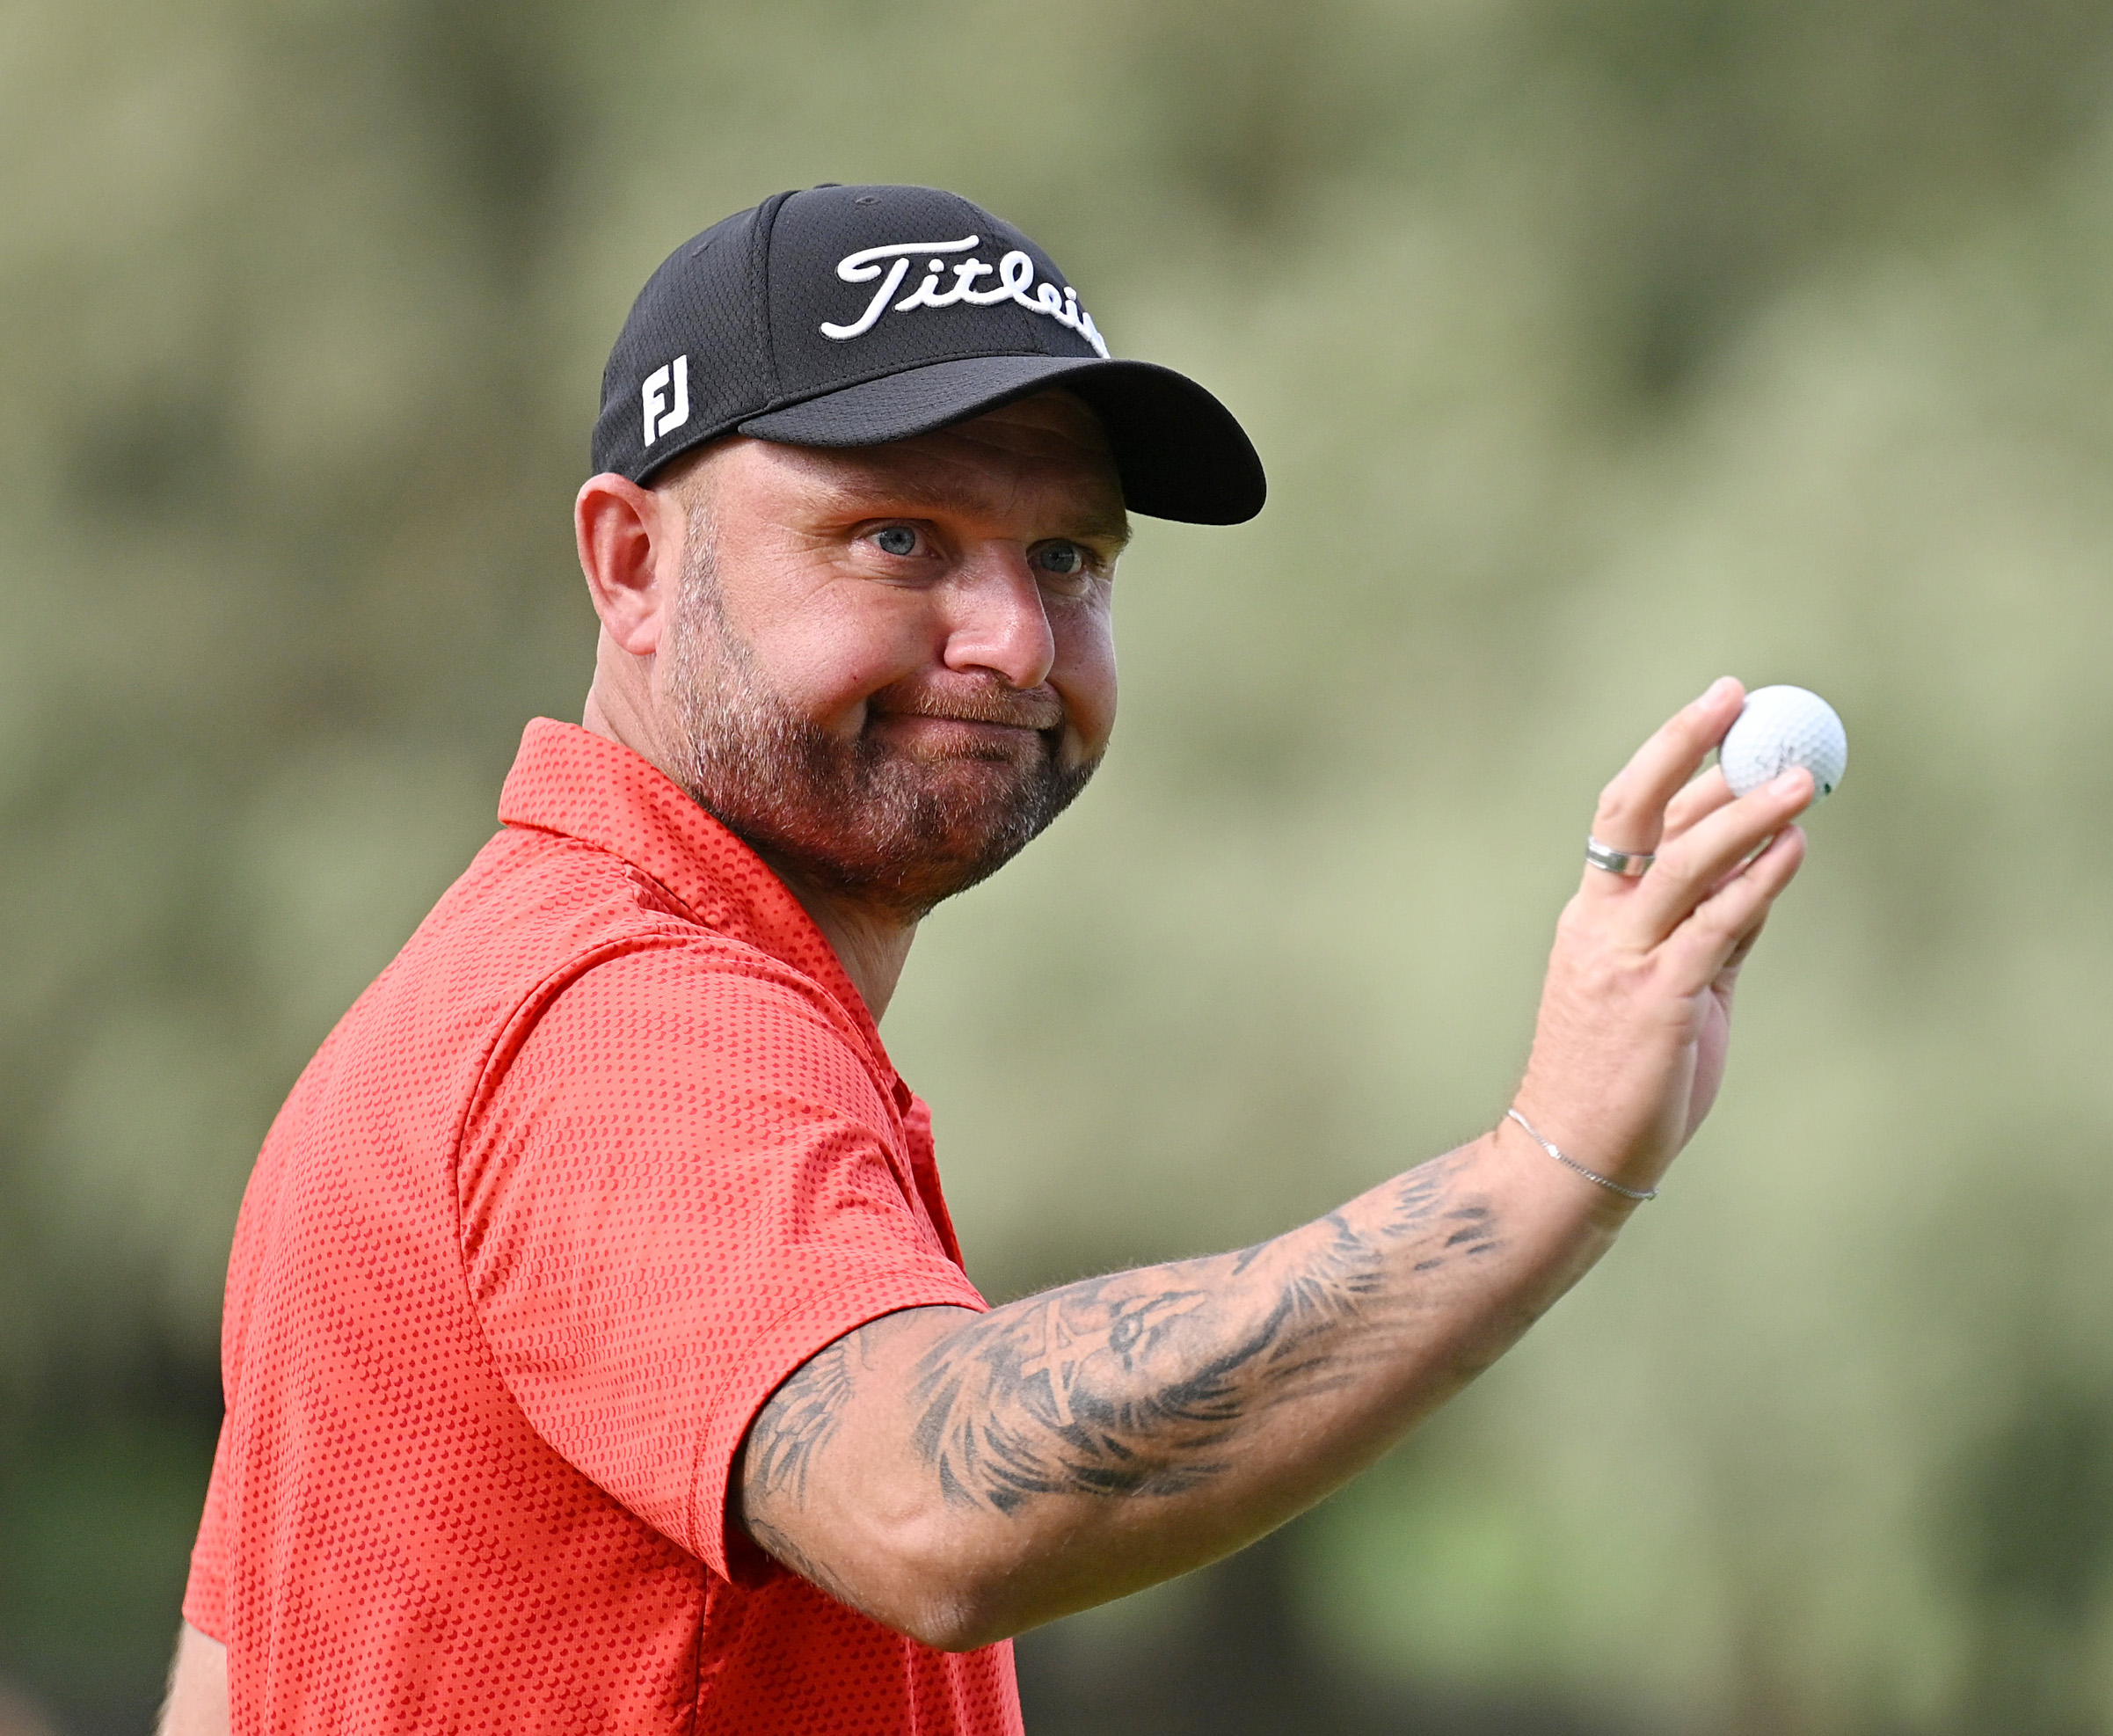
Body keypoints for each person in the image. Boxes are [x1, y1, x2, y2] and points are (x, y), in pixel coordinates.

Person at [157, 184, 1814, 1735]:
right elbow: (927, 1499)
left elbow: (223, 1692)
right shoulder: (626, 1018)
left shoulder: (483, 988)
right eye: (896, 536)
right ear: (634, 565)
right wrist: (1547, 1167)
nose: (1012, 637)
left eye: (1066, 559)